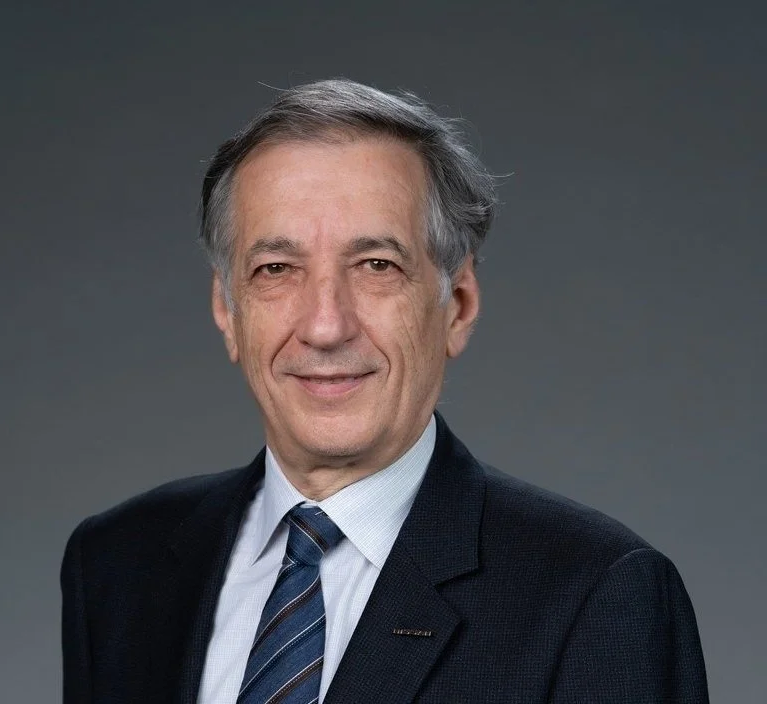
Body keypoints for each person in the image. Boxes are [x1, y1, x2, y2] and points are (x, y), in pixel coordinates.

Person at [61, 79, 709, 703]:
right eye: (276, 269)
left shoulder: (595, 597)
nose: (325, 326)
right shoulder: (117, 565)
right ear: (228, 311)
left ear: (457, 305)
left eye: (377, 266)